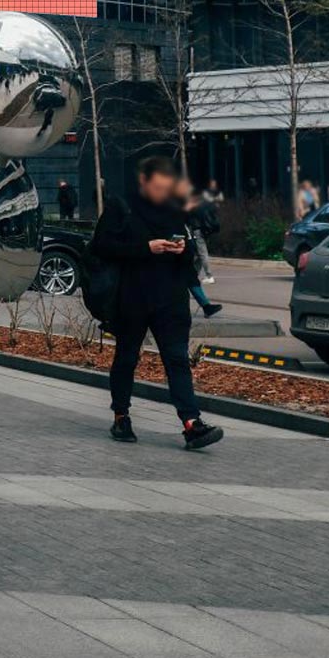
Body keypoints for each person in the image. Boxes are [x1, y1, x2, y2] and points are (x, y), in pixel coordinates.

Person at [92, 158, 224, 451]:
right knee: (127, 357)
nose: (163, 194)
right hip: (133, 297)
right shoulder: (121, 206)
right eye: (157, 187)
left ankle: (192, 424)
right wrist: (146, 248)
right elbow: (101, 246)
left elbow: (190, 249)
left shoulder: (175, 209)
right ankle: (121, 416)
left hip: (171, 298)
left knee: (177, 360)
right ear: (144, 183)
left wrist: (181, 248)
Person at [182, 176, 222, 317]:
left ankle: (205, 305)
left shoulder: (190, 203)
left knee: (190, 275)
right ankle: (205, 305)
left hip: (189, 237)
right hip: (184, 240)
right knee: (189, 275)